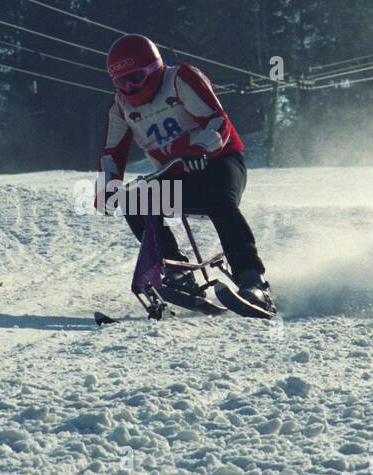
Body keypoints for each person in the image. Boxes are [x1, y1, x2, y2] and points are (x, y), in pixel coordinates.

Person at [96, 33, 274, 316]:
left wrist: (200, 148)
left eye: (137, 78)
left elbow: (218, 120)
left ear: (154, 69)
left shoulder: (181, 78)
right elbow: (111, 153)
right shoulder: (120, 107)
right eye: (121, 81)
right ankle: (176, 271)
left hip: (218, 161)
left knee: (220, 201)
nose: (130, 88)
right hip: (176, 175)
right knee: (133, 201)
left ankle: (253, 279)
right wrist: (107, 187)